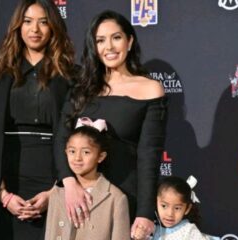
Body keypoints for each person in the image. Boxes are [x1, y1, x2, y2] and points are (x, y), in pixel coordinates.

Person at [0, 0, 75, 239]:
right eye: (27, 22)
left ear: (54, 28)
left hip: (53, 182)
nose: (35, 30)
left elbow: (82, 141)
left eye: (43, 22)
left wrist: (56, 193)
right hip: (0, 187)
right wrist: (3, 195)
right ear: (17, 27)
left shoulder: (73, 78)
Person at [54, 10, 167, 239]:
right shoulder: (81, 89)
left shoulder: (150, 89)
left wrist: (145, 213)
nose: (109, 47)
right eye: (100, 40)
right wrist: (69, 184)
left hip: (126, 198)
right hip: (80, 200)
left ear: (130, 41)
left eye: (116, 38)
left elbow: (149, 156)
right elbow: (61, 140)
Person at [45, 118, 130, 240]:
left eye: (86, 152)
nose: (77, 158)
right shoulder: (57, 193)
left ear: (101, 156)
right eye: (72, 151)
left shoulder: (115, 198)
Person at [146, 176, 217, 240]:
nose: (170, 213)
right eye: (164, 206)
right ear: (156, 202)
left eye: (177, 208)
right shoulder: (150, 227)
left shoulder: (189, 231)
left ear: (187, 209)